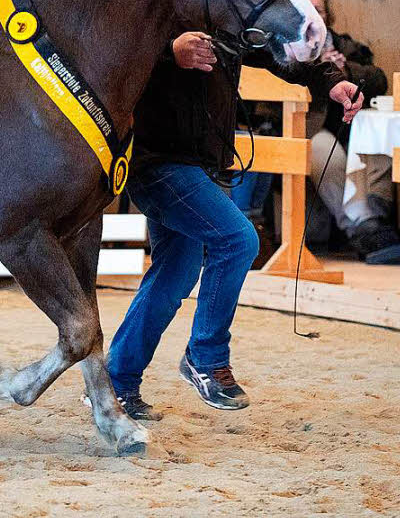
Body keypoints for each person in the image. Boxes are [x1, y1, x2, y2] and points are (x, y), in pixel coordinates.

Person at [106, 30, 361, 419]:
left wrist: (331, 80)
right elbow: (116, 52)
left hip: (200, 166)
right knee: (238, 240)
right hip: (157, 163)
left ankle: (116, 385)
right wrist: (168, 50)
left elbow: (281, 55)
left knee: (175, 273)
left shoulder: (227, 19)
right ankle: (205, 357)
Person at [300, 0, 397, 257]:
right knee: (322, 152)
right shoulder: (291, 47)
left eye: (318, 10)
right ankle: (360, 224)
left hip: (351, 126)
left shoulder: (347, 46)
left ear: (328, 16)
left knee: (379, 136)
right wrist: (319, 71)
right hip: (311, 127)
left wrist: (345, 70)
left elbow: (378, 80)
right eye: (307, 9)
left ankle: (377, 215)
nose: (312, 15)